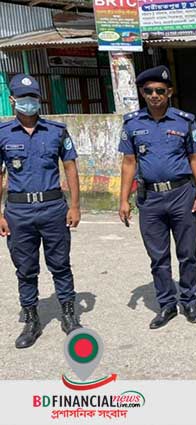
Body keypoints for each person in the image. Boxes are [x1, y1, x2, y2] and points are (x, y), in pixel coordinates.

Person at [119, 65, 196, 330]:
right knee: (158, 257)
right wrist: (123, 199)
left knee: (187, 253)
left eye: (160, 90)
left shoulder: (184, 121)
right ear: (142, 93)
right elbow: (128, 162)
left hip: (181, 194)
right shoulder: (132, 124)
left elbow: (195, 158)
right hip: (150, 199)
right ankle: (167, 304)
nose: (155, 95)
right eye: (149, 90)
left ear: (169, 92)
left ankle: (189, 301)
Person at [0, 74, 82, 349]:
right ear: (12, 101)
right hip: (18, 211)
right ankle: (32, 319)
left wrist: (75, 206)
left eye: (33, 98)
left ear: (39, 99)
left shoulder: (57, 131)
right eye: (23, 99)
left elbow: (70, 167)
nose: (29, 103)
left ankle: (69, 314)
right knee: (25, 268)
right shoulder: (2, 135)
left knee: (60, 264)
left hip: (53, 208)